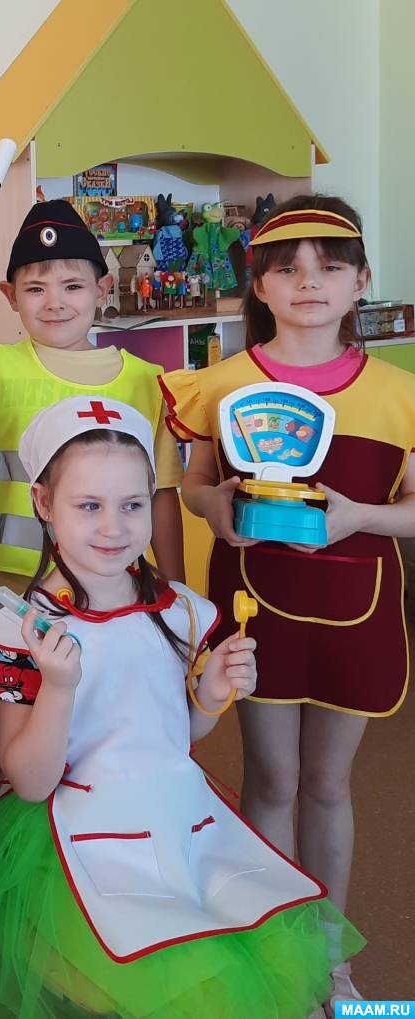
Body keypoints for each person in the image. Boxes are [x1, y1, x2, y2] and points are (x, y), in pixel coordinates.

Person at [0, 396, 362, 1018]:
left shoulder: (180, 610)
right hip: (76, 842)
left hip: (181, 824)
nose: (114, 528)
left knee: (251, 954)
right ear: (43, 503)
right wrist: (60, 688)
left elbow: (172, 737)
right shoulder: (18, 637)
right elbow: (32, 781)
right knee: (186, 990)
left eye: (132, 505)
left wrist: (211, 695)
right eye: (89, 506)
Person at [160, 195, 415, 1006]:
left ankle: (330, 955)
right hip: (255, 609)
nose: (309, 282)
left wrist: (360, 516)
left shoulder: (400, 394)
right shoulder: (219, 385)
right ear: (259, 284)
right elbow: (194, 485)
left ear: (361, 281)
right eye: (287, 267)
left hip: (358, 611)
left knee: (330, 784)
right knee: (271, 780)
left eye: (330, 265)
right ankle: (277, 953)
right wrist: (214, 507)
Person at [0, 199, 185, 644]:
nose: (55, 303)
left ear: (102, 289)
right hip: (4, 591)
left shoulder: (147, 382)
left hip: (112, 590)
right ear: (10, 296)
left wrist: (177, 592)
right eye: (36, 289)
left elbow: (162, 495)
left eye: (73, 286)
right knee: (4, 691)